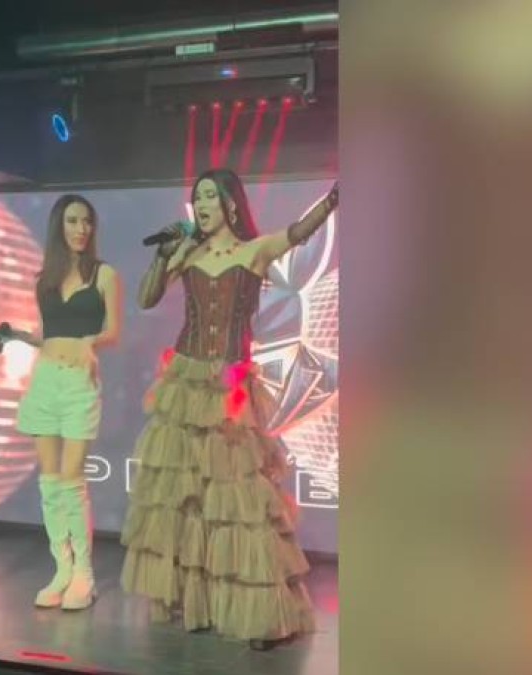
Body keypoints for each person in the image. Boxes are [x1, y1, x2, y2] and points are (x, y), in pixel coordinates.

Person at [120, 169, 338, 650]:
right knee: (189, 498)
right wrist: (165, 254)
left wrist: (332, 201)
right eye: (196, 197)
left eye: (209, 197)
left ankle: (258, 612)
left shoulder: (254, 251)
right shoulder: (188, 251)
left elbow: (297, 234)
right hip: (187, 381)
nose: (201, 204)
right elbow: (146, 298)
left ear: (230, 205)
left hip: (230, 386)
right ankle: (194, 602)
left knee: (239, 503)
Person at [0, 194, 122, 610]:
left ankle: (84, 574)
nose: (81, 228)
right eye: (72, 221)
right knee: (49, 482)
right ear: (58, 226)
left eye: (87, 221)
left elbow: (113, 331)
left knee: (71, 480)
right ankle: (62, 569)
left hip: (80, 381)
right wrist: (17, 336)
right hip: (45, 379)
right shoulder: (43, 279)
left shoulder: (104, 274)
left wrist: (89, 342)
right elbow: (49, 334)